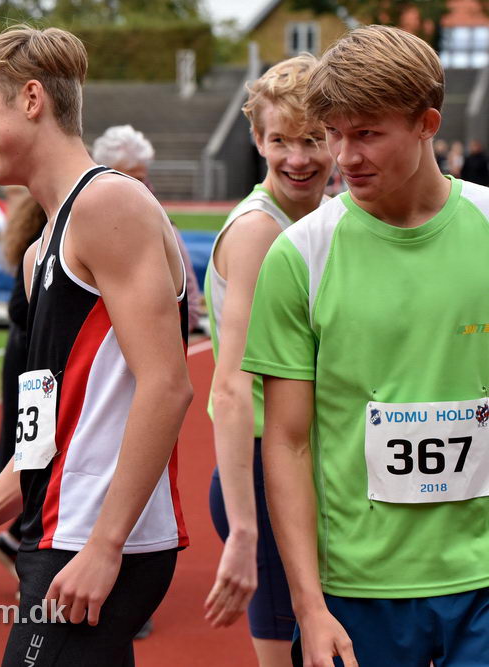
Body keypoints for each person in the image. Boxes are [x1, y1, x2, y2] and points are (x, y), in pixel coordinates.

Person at [0, 26, 193, 667]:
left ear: (32, 99)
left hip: (99, 539)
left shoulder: (108, 203)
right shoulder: (42, 249)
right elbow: (47, 432)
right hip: (56, 529)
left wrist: (104, 545)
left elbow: (167, 384)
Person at [242, 26, 489, 666]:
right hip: (355, 593)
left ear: (427, 123)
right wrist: (308, 606)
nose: (343, 156)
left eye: (368, 133)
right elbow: (288, 442)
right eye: (334, 133)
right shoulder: (299, 257)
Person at [203, 55, 332, 667]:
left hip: (303, 454)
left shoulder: (320, 220)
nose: (298, 157)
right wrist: (245, 531)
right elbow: (229, 388)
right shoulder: (261, 231)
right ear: (257, 139)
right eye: (280, 140)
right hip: (261, 463)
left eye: (313, 138)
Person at [0, 193, 48, 580]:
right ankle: (31, 562)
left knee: (32, 457)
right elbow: (18, 309)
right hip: (34, 368)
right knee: (34, 459)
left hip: (29, 364)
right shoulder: (47, 235)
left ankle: (14, 543)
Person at [91, 126, 204, 334]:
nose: (137, 187)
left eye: (141, 179)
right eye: (126, 178)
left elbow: (190, 304)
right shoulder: (82, 223)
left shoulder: (160, 226)